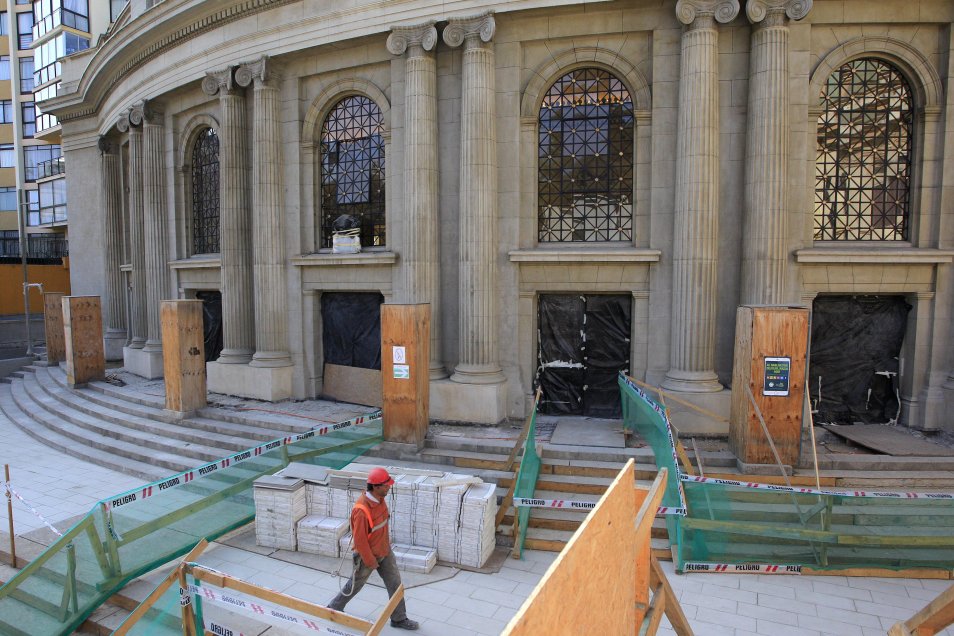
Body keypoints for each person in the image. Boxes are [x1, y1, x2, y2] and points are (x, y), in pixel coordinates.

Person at [327, 467, 420, 631]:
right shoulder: (361, 510)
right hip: (367, 557)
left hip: (385, 551)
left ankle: (399, 618)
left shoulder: (380, 499)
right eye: (386, 485)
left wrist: (386, 550)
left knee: (395, 585)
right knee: (356, 584)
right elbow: (361, 542)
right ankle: (333, 608)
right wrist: (371, 562)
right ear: (376, 487)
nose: (389, 487)